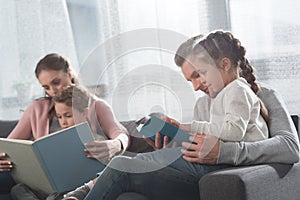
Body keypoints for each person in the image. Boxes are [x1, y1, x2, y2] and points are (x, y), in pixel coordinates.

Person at [70, 30, 299, 200]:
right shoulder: (207, 102)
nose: (197, 86)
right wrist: (169, 145)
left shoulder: (261, 94)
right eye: (190, 80)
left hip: (226, 176)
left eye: (199, 75)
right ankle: (90, 187)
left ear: (222, 64)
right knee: (127, 185)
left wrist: (225, 152)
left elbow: (290, 147)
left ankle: (87, 189)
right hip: (198, 174)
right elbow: (199, 150)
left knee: (125, 166)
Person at [0, 53, 129, 198]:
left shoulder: (96, 105)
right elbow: (9, 145)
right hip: (44, 179)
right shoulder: (37, 107)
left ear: (69, 73)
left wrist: (116, 144)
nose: (52, 91)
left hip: (79, 174)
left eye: (56, 82)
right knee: (17, 188)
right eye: (46, 87)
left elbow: (120, 133)